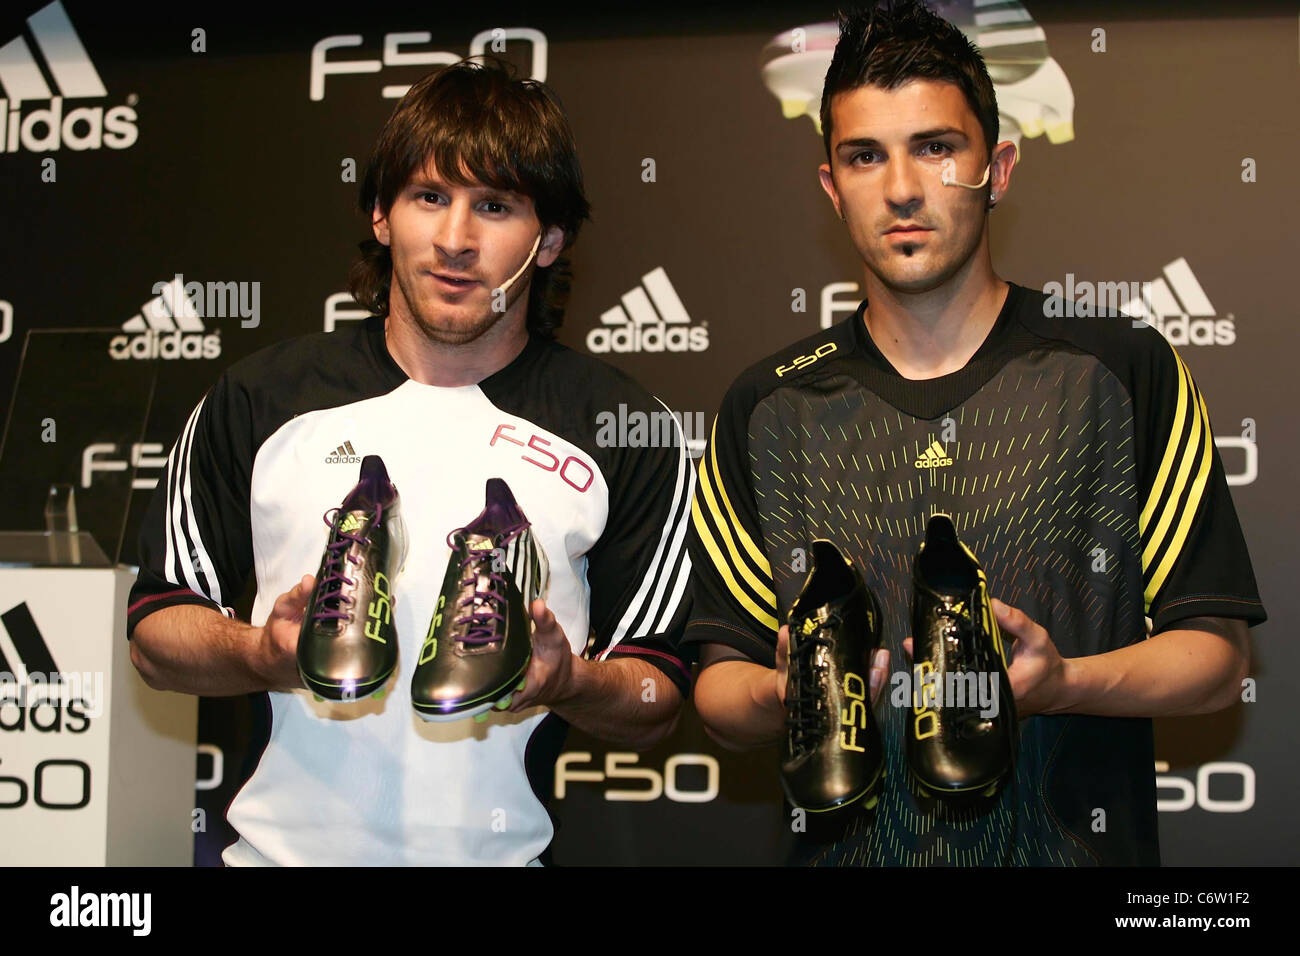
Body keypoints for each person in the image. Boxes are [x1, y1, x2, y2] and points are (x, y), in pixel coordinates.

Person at [685, 0, 1264, 866]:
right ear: (830, 185)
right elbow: (717, 690)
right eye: (865, 156)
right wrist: (792, 692)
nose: (902, 188)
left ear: (996, 169)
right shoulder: (766, 405)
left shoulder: (1121, 369)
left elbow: (1217, 657)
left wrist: (1067, 682)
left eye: (935, 147)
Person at [127, 60, 695, 866]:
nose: (456, 240)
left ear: (550, 240)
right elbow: (155, 634)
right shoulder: (258, 401)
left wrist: (567, 682)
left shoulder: (624, 428)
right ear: (382, 215)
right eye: (430, 197)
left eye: (494, 206)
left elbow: (657, 696)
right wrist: (262, 653)